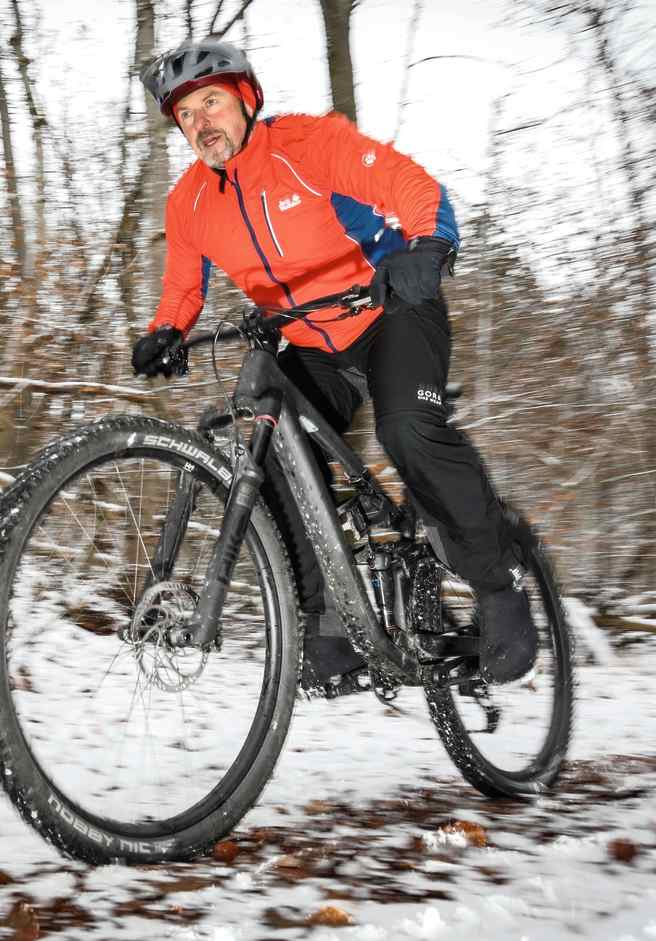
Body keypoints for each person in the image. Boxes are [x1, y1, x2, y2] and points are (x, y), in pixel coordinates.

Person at [134, 38, 537, 689]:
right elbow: (184, 283)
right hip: (313, 344)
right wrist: (167, 331)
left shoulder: (306, 145)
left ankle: (499, 580)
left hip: (390, 311)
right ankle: (325, 627)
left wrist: (429, 245)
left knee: (406, 427)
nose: (201, 122)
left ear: (244, 99)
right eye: (186, 115)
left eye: (211, 101)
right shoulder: (188, 203)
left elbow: (408, 182)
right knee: (272, 454)